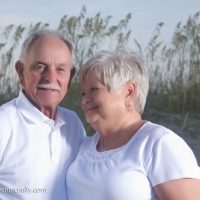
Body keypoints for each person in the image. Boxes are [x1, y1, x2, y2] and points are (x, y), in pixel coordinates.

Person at [66, 49, 200, 200]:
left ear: (129, 92)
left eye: (94, 89)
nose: (84, 100)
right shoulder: (85, 147)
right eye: (83, 93)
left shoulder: (158, 143)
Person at [0, 29, 86, 200]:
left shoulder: (73, 124)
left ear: (71, 76)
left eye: (61, 69)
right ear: (21, 71)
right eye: (40, 67)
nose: (50, 77)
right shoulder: (4, 123)